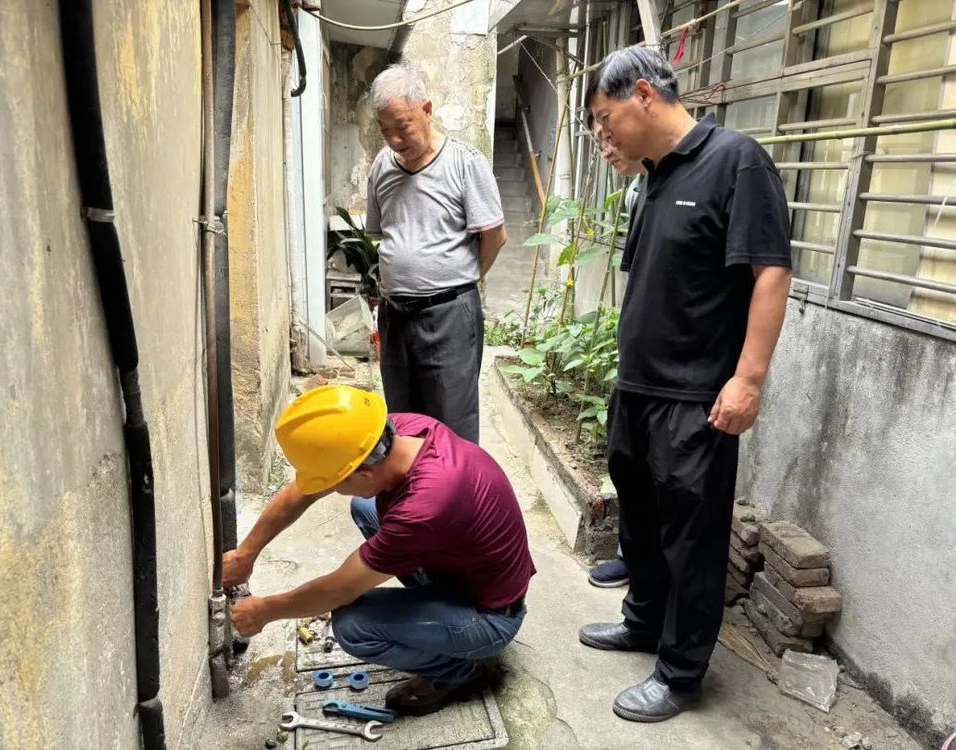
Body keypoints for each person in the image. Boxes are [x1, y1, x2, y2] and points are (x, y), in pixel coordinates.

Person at [579, 47, 792, 722]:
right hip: (638, 388)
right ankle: (643, 622)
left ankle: (680, 673)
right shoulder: (653, 178)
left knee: (692, 540)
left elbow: (771, 271)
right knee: (641, 523)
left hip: (696, 395)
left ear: (644, 94)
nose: (603, 134)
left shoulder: (737, 161)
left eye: (606, 118)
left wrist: (748, 378)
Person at [225, 385, 534, 715]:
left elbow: (339, 589)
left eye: (335, 484)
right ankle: (439, 619)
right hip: (469, 572)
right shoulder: (396, 433)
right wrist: (246, 553)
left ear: (363, 473)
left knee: (353, 626)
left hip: (490, 617)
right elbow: (302, 492)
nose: (331, 491)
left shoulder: (422, 510)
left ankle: (463, 672)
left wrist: (263, 612)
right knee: (366, 506)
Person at [364, 64, 507, 444]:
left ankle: (454, 488)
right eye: (384, 129)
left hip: (449, 316)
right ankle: (411, 485)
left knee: (452, 426)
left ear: (426, 110)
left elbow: (494, 236)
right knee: (402, 424)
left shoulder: (465, 162)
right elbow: (382, 233)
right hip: (396, 316)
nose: (394, 139)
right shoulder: (382, 166)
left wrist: (459, 280)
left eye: (402, 126)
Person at [587, 120, 645, 589]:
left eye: (610, 134)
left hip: (685, 369)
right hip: (638, 353)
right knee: (627, 459)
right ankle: (632, 556)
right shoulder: (636, 193)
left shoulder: (715, 171)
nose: (606, 149)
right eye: (598, 140)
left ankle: (648, 574)